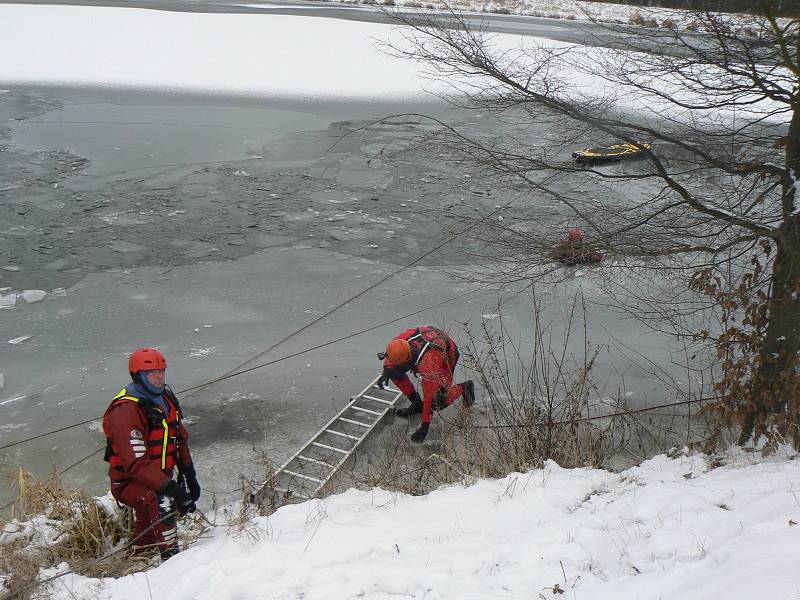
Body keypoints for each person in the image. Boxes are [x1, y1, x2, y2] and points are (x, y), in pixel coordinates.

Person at [102, 348, 201, 560]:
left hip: (158, 477)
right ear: (137, 377)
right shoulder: (126, 411)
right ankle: (172, 559)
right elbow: (135, 463)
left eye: (162, 372)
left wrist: (190, 476)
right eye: (152, 373)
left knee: (147, 520)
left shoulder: (165, 398)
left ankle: (138, 557)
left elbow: (180, 438)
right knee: (159, 500)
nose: (159, 378)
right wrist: (172, 488)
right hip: (130, 482)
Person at [377, 326, 475, 443]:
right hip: (427, 341)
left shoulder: (429, 364)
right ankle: (417, 403)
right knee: (394, 371)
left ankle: (464, 387)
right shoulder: (400, 342)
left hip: (447, 355)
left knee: (437, 402)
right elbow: (390, 357)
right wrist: (386, 372)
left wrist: (424, 426)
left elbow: (429, 396)